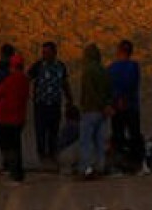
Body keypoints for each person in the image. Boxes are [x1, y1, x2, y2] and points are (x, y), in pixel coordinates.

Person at [28, 42, 74, 169]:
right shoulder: (38, 66)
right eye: (43, 52)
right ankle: (42, 158)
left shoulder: (60, 66)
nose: (44, 55)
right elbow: (27, 78)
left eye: (47, 52)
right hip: (41, 105)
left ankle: (53, 157)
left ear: (54, 53)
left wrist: (70, 99)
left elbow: (65, 83)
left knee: (53, 132)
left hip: (55, 104)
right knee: (40, 132)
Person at [108, 40, 146, 174]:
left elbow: (110, 87)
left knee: (118, 135)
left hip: (118, 106)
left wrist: (117, 100)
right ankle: (136, 163)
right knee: (134, 134)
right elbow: (132, 84)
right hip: (131, 106)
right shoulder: (134, 66)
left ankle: (120, 163)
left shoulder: (112, 67)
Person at [0, 51, 30, 183]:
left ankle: (14, 171)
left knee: (9, 146)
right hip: (18, 117)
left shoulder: (9, 80)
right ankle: (17, 171)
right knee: (16, 145)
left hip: (6, 117)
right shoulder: (24, 80)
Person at [78, 44, 113, 178]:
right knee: (99, 141)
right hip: (102, 112)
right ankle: (100, 167)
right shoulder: (104, 70)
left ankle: (86, 169)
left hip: (90, 110)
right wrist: (106, 106)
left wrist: (98, 105)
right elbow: (109, 91)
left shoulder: (88, 71)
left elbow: (90, 92)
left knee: (86, 141)